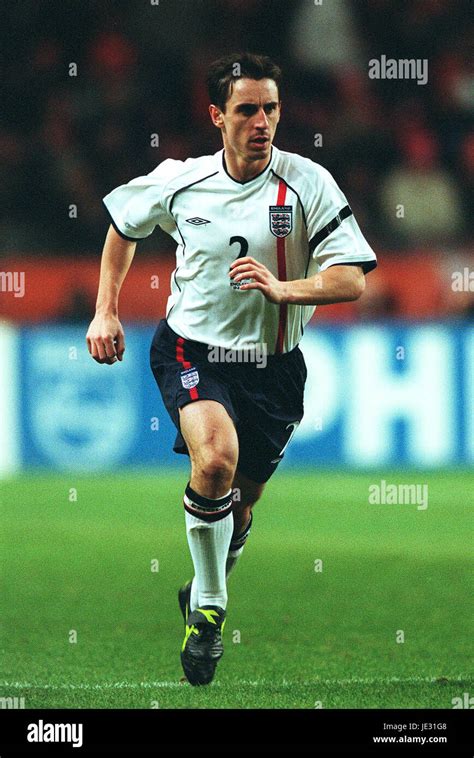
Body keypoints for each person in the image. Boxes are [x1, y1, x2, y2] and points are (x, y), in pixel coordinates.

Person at [86, 52, 377, 686]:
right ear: (218, 115)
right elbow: (121, 225)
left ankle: (201, 588)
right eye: (247, 109)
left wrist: (284, 289)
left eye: (271, 108)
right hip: (193, 350)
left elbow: (351, 280)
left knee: (238, 510)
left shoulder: (308, 184)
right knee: (213, 460)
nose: (261, 121)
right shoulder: (181, 180)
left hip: (273, 370)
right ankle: (212, 613)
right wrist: (105, 311)